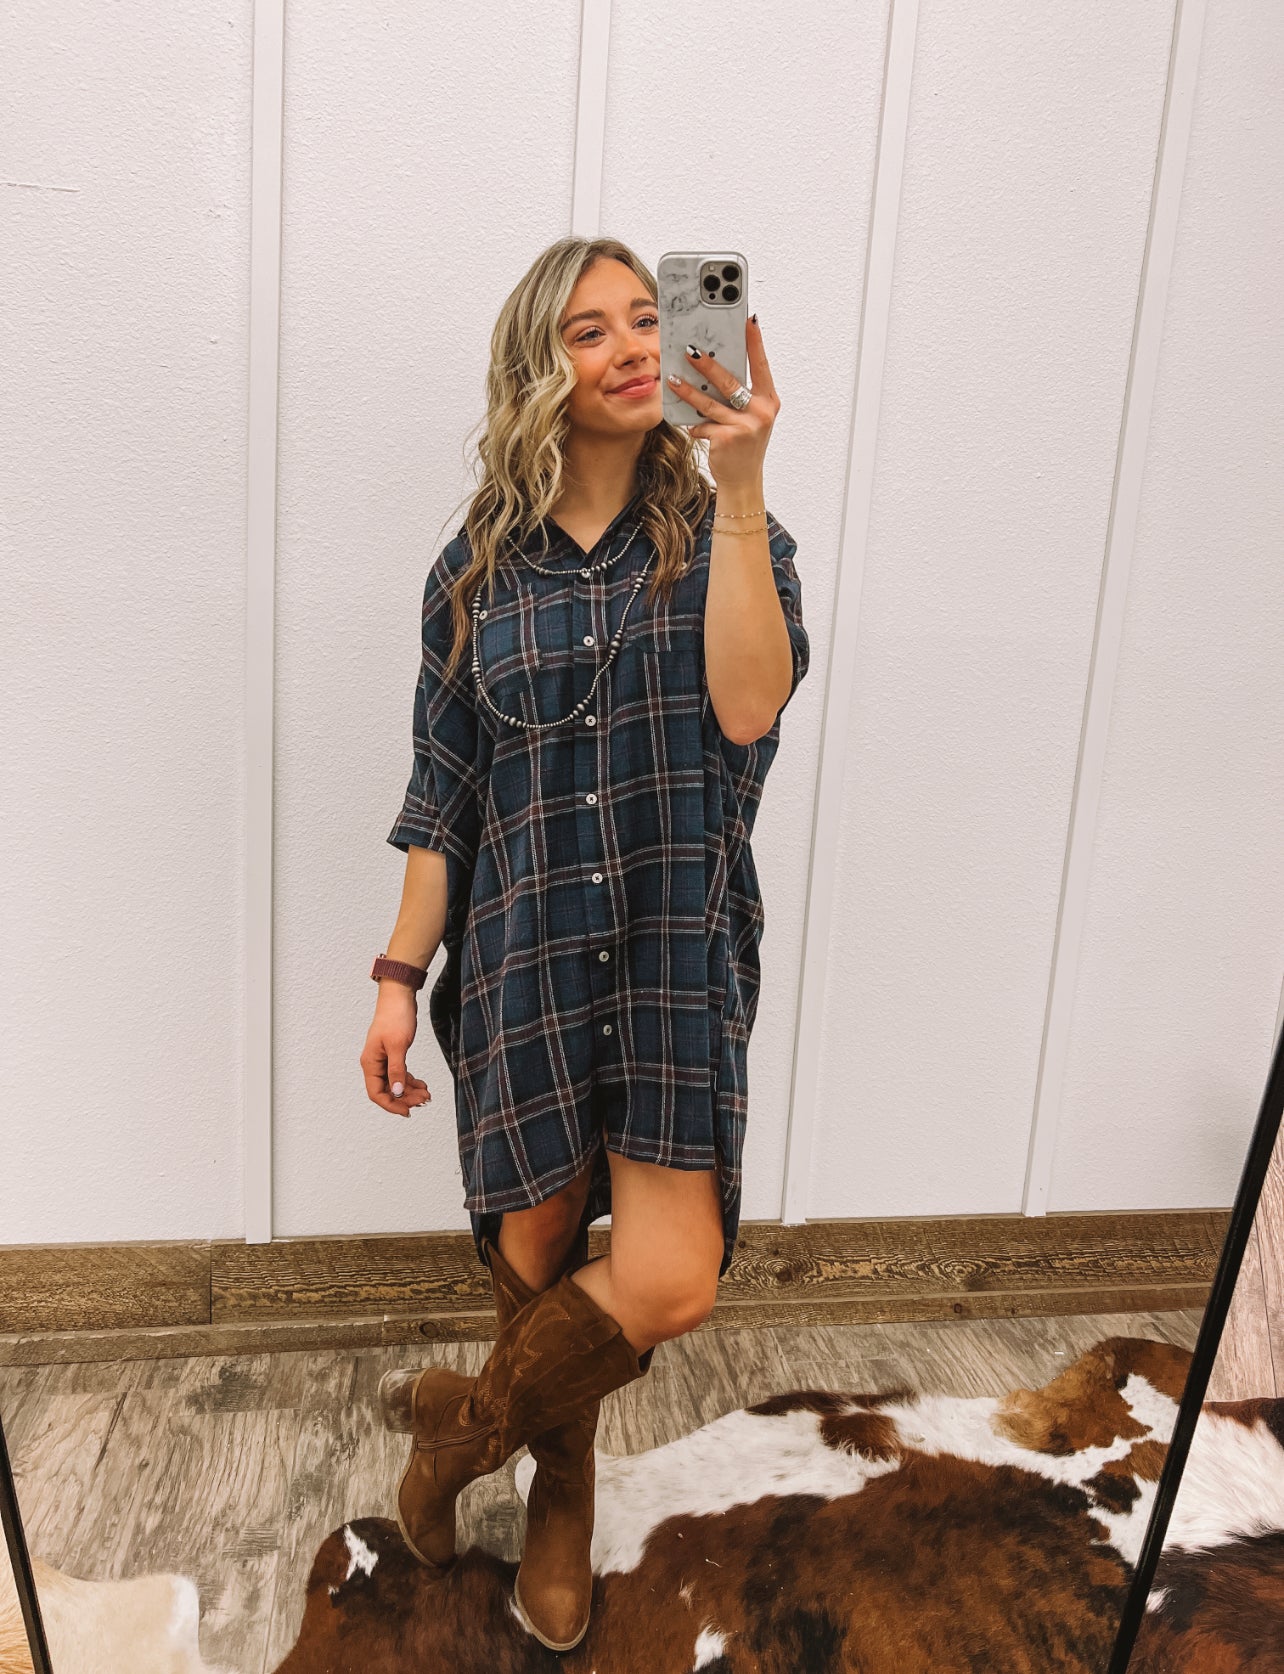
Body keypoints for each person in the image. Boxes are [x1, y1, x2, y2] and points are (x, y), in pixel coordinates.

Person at [359, 235, 808, 1653]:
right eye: (588, 329)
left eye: (644, 321)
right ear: (535, 367)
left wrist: (741, 481)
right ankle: (562, 1490)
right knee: (540, 1247)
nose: (629, 346)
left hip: (674, 953)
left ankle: (461, 1435)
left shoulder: (732, 535)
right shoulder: (474, 570)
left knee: (669, 1276)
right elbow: (443, 795)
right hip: (525, 960)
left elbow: (750, 708)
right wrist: (397, 976)